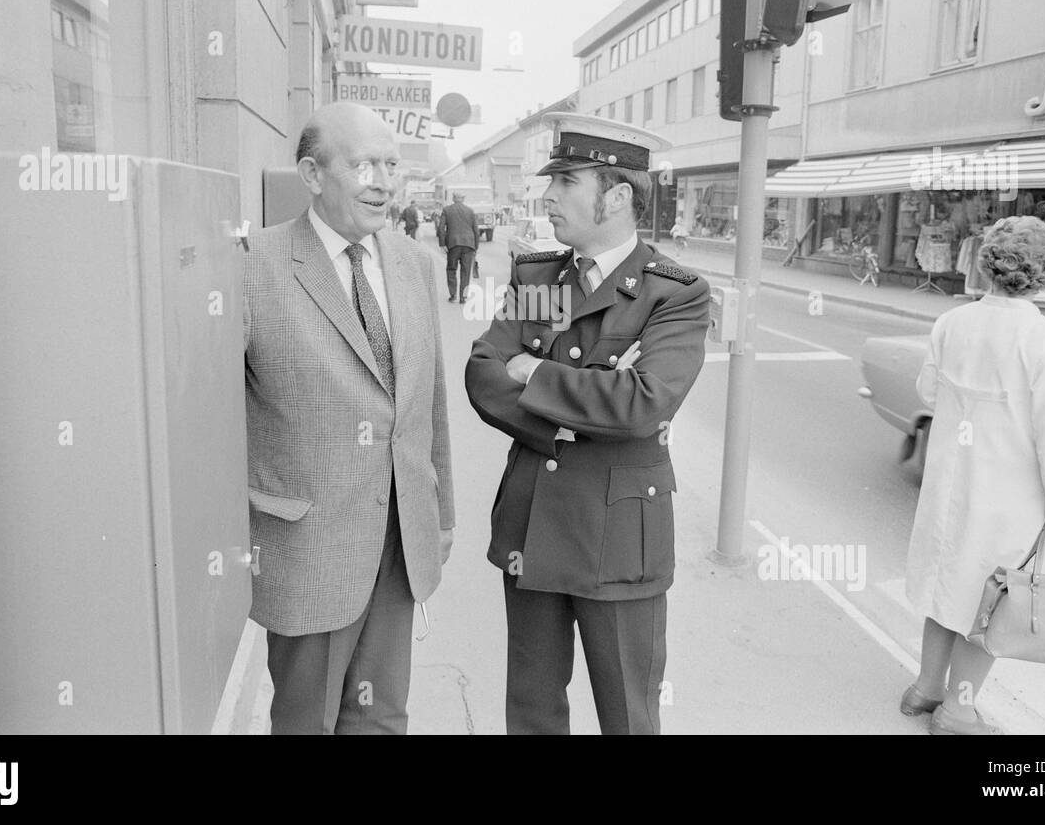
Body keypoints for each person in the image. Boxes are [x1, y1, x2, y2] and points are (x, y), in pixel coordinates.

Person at [464, 113, 710, 734]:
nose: (547, 197)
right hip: (535, 522)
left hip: (618, 537)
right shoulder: (542, 278)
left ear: (617, 196)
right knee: (532, 710)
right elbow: (484, 375)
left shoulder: (671, 294)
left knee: (628, 712)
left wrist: (534, 373)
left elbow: (644, 403)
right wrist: (571, 417)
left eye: (566, 181)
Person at [243, 102, 455, 734]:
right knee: (306, 722)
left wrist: (438, 521)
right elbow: (206, 421)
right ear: (312, 174)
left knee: (382, 718)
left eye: (392, 164)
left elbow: (428, 406)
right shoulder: (254, 264)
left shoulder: (413, 263)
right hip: (310, 549)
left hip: (399, 541)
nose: (383, 181)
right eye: (364, 164)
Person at [902, 216, 1045, 735]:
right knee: (992, 602)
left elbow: (930, 395)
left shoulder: (952, 324)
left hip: (949, 485)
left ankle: (925, 689)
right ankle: (958, 711)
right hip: (1008, 496)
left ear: (986, 265)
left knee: (947, 583)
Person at [439, 191, 481, 303]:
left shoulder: (447, 210)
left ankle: (453, 295)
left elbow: (441, 228)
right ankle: (463, 297)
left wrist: (442, 244)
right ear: (463, 199)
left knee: (451, 269)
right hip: (468, 245)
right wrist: (475, 246)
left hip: (453, 244)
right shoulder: (470, 211)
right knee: (466, 271)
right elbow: (476, 231)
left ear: (453, 198)